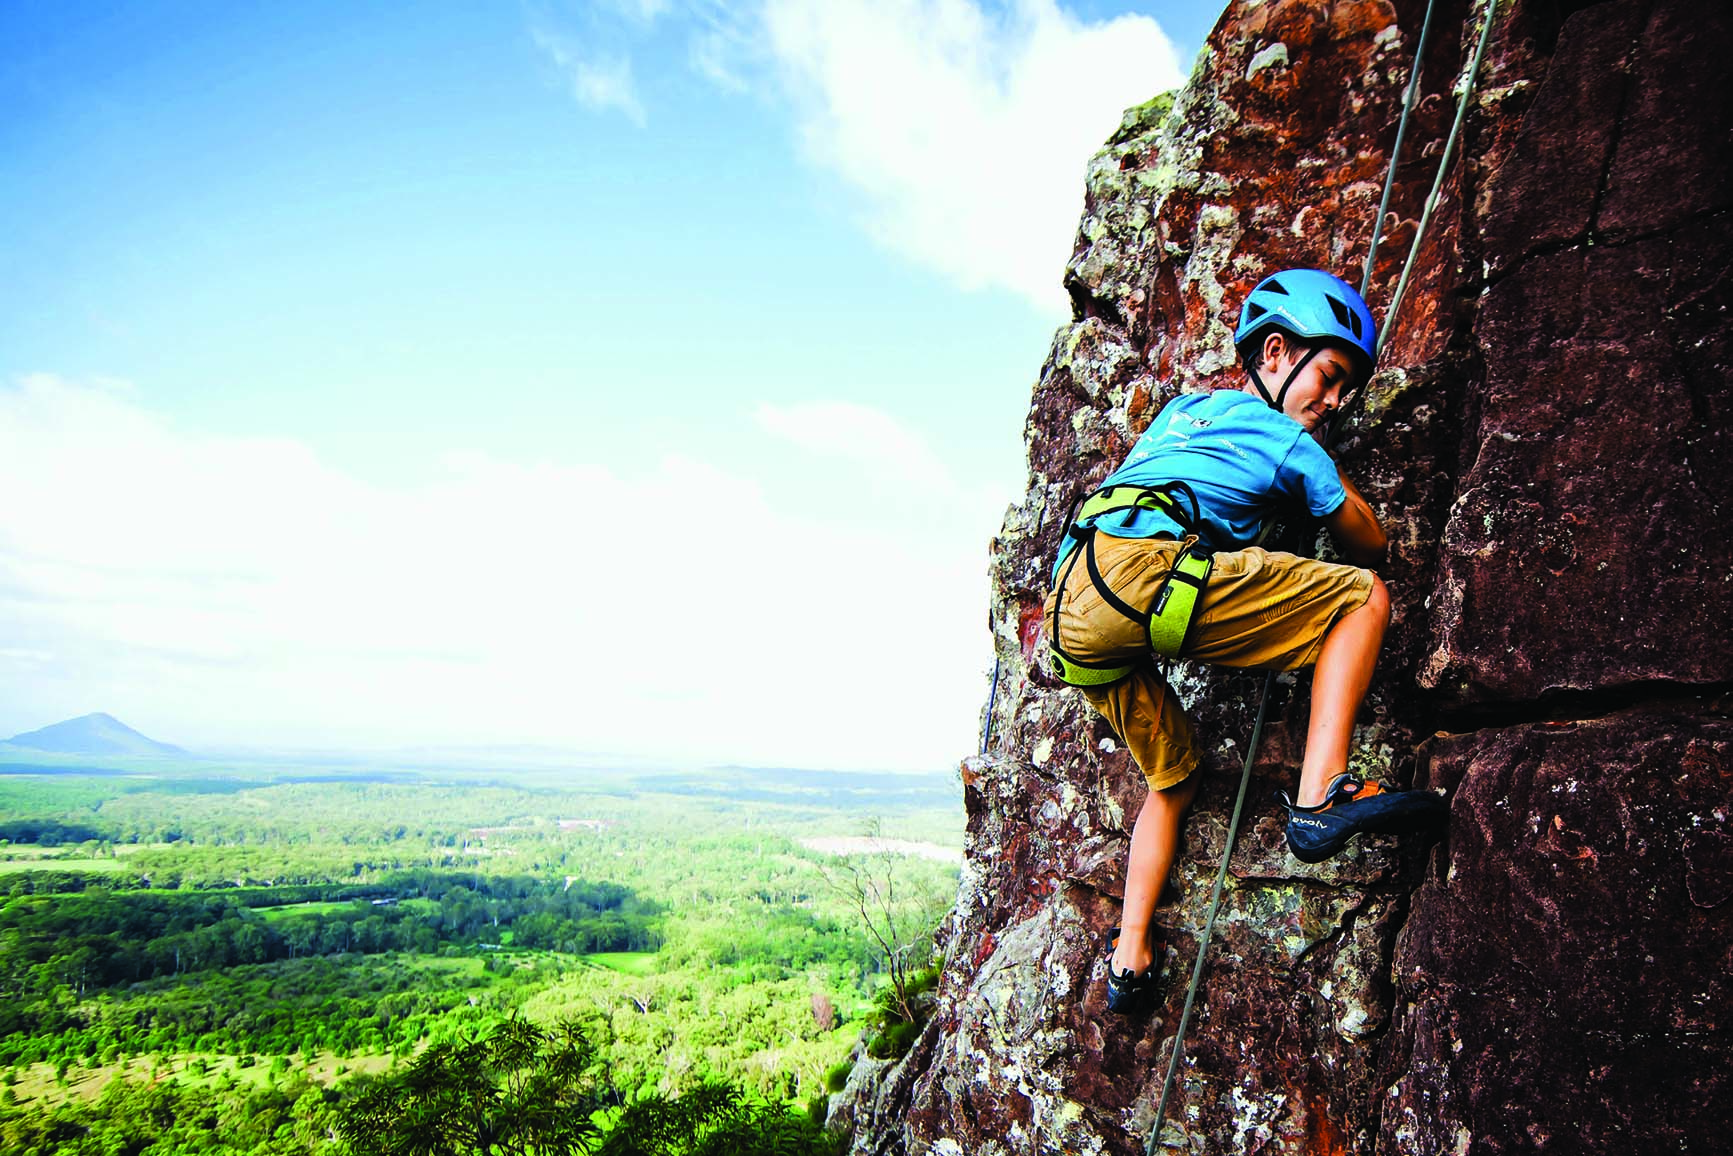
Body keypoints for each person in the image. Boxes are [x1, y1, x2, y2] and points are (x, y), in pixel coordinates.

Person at [1041, 268, 1446, 1014]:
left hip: (1076, 607)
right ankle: (1322, 793)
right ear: (1272, 352)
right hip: (1139, 578)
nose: (1331, 404)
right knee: (1361, 599)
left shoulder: (1182, 412)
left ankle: (1128, 954)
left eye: (1344, 392)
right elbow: (1365, 543)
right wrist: (1330, 471)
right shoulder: (1279, 432)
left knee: (1172, 779)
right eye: (1326, 378)